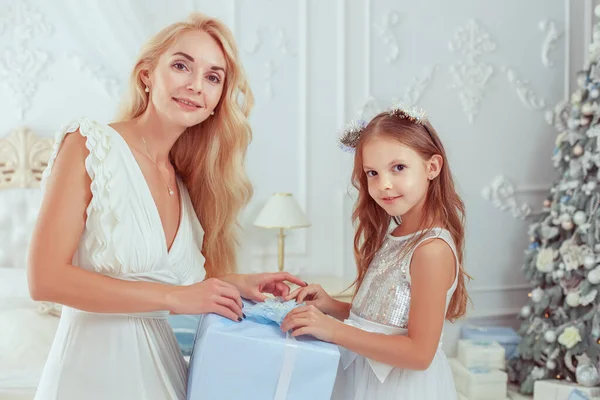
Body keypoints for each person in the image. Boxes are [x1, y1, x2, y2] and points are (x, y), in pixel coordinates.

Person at [28, 12, 305, 400]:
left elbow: (160, 280)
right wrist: (174, 299)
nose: (195, 86)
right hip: (91, 376)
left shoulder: (185, 182)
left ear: (216, 102)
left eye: (213, 77)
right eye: (181, 66)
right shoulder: (91, 146)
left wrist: (234, 285)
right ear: (146, 74)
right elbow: (45, 280)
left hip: (164, 375)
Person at [282, 105, 470, 399]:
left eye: (398, 168)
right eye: (372, 172)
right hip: (366, 377)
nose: (384, 184)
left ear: (432, 167)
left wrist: (332, 330)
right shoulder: (396, 234)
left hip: (400, 388)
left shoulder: (431, 250)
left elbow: (420, 354)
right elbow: (382, 322)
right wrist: (332, 307)